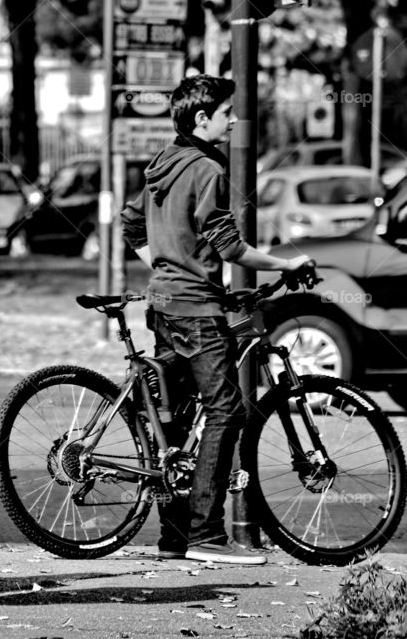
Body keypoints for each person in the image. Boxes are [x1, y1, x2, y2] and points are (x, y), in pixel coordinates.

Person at [121, 75, 309, 565]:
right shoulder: (206, 169)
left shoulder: (163, 163)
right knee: (227, 410)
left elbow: (131, 224)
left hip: (162, 305)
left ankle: (174, 539)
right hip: (197, 310)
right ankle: (207, 535)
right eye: (227, 112)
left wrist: (165, 266)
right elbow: (229, 246)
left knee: (177, 422)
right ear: (202, 119)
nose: (234, 120)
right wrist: (288, 264)